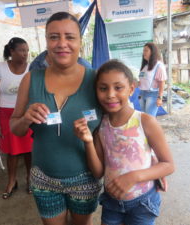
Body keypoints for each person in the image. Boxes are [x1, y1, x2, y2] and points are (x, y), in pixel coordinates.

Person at [10, 12, 102, 225]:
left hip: (86, 178)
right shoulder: (31, 79)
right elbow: (15, 127)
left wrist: (145, 163)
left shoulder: (96, 80)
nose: (62, 44)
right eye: (54, 37)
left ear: (80, 42)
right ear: (46, 42)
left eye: (69, 37)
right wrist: (25, 119)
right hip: (44, 178)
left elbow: (121, 124)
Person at [74, 59, 174, 225]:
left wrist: (134, 177)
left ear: (131, 89)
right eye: (103, 88)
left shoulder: (146, 122)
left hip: (143, 202)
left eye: (118, 87)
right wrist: (88, 141)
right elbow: (98, 172)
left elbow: (169, 165)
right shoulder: (101, 126)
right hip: (111, 203)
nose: (110, 94)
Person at [0, 37, 33, 199]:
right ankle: (12, 181)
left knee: (30, 150)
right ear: (11, 51)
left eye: (27, 51)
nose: (25, 54)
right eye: (22, 50)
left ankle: (30, 179)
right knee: (12, 152)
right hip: (6, 115)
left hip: (26, 115)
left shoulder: (31, 68)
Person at [138, 42, 167, 116]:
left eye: (146, 50)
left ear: (152, 52)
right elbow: (142, 81)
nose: (144, 52)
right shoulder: (145, 66)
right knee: (144, 118)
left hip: (152, 95)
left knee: (149, 119)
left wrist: (160, 98)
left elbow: (162, 82)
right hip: (142, 93)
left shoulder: (159, 66)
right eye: (143, 50)